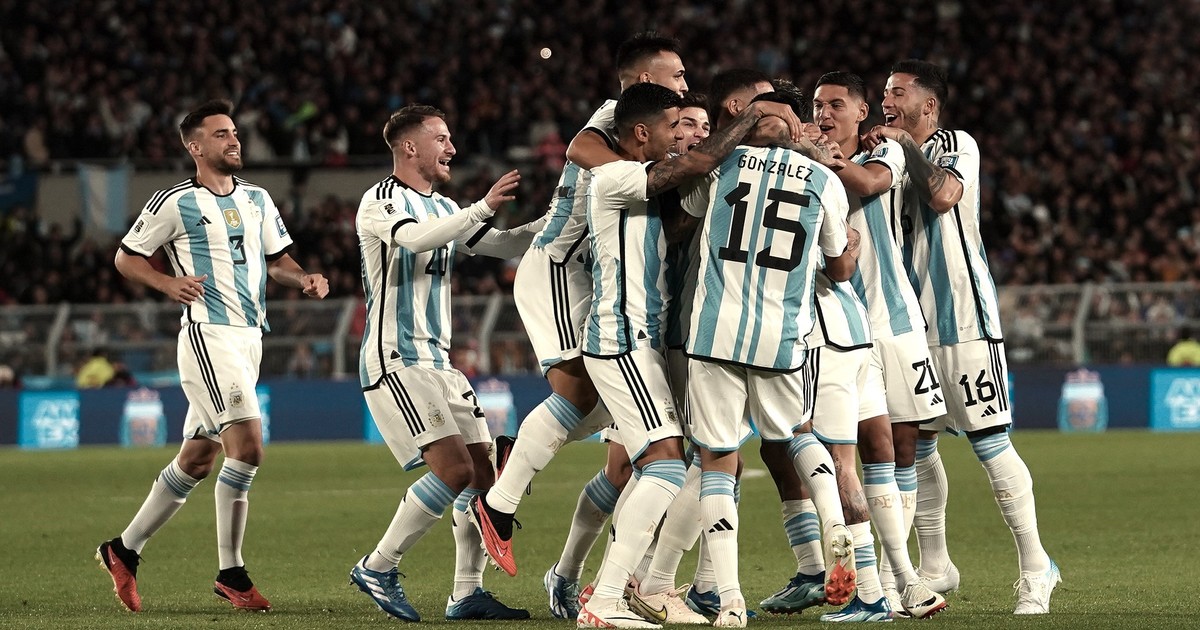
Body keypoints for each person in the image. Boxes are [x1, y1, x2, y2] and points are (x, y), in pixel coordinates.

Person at [576, 83, 802, 630]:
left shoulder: (646, 189)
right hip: (621, 337)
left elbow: (686, 213)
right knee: (663, 465)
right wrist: (751, 119)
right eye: (671, 126)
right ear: (641, 133)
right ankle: (605, 598)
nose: (680, 136)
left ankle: (632, 589)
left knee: (670, 464)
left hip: (644, 341)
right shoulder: (615, 176)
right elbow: (696, 163)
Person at [470, 33, 689, 591]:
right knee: (580, 394)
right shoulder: (615, 115)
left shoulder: (650, 124)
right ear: (646, 79)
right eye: (677, 75)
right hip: (560, 268)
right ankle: (497, 503)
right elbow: (579, 148)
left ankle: (514, 461)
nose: (684, 85)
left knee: (603, 403)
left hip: (581, 270)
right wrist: (641, 178)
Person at [97, 99, 330, 613]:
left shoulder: (258, 198)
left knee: (198, 459)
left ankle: (123, 550)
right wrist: (166, 282)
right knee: (246, 447)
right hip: (209, 337)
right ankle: (232, 573)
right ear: (195, 147)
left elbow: (278, 261)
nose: (234, 140)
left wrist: (303, 277)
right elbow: (126, 258)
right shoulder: (174, 201)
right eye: (221, 134)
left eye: (234, 132)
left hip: (250, 339)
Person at [863, 59, 1059, 614]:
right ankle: (935, 564)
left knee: (990, 443)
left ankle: (1036, 567)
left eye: (897, 92)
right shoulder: (887, 156)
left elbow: (944, 196)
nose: (886, 101)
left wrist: (905, 145)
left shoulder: (954, 144)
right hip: (908, 325)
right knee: (919, 443)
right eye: (884, 92)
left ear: (928, 105)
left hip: (964, 322)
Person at [762, 70, 948, 621]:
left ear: (862, 112)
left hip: (873, 322)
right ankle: (899, 583)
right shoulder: (808, 165)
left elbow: (865, 190)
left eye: (835, 105)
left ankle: (879, 584)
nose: (824, 115)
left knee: (880, 450)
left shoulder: (879, 154)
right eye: (817, 106)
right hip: (849, 326)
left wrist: (813, 156)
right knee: (862, 448)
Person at [348, 104, 545, 622]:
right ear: (410, 147)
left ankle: (466, 593)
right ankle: (378, 565)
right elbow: (414, 238)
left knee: (483, 475)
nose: (452, 148)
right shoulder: (381, 200)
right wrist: (481, 207)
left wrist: (558, 223)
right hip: (398, 358)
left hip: (439, 361)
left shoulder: (445, 206)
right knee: (455, 470)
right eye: (442, 138)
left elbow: (501, 245)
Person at [675, 88, 858, 629]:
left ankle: (729, 600)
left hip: (715, 333)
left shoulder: (720, 166)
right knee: (799, 433)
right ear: (796, 126)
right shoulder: (824, 180)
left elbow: (686, 212)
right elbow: (837, 264)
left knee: (717, 460)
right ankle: (835, 525)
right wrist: (849, 244)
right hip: (782, 333)